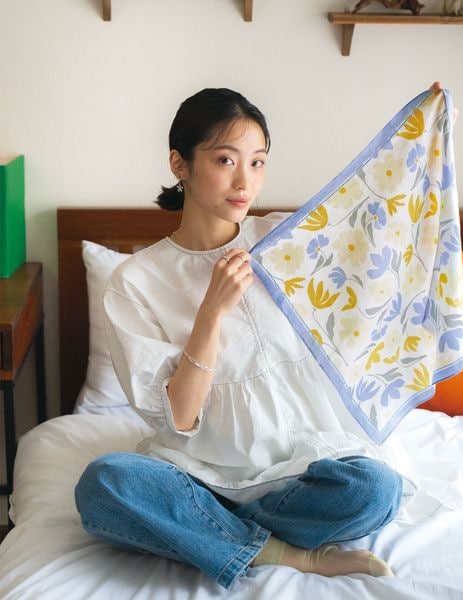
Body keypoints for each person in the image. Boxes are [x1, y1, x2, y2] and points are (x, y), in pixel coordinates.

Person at [75, 87, 404, 590]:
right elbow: (179, 417)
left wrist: (425, 130)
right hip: (197, 476)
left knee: (374, 489)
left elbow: (383, 225)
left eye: (258, 162)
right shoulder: (135, 281)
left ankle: (211, 536)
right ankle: (291, 555)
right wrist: (211, 312)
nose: (245, 181)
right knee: (105, 485)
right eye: (225, 160)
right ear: (180, 164)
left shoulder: (286, 241)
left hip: (301, 472)